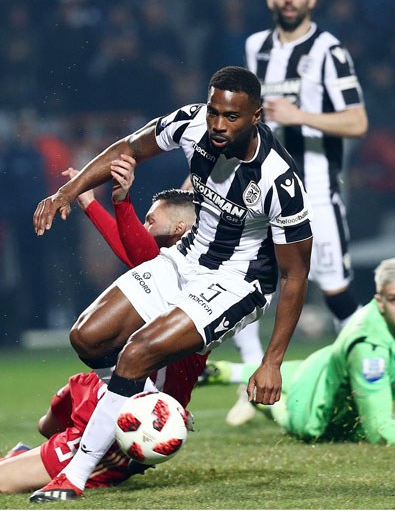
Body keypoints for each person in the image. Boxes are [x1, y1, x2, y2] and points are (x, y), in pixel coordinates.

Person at [30, 66, 313, 502]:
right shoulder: (192, 123)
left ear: (256, 116)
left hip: (237, 284)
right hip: (185, 258)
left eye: (231, 117)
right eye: (214, 112)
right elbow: (127, 148)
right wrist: (66, 193)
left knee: (137, 353)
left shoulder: (280, 181)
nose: (218, 125)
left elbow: (295, 274)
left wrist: (272, 360)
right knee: (88, 336)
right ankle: (145, 399)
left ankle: (75, 475)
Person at [0, 159, 204, 494]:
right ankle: (30, 457)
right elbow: (137, 246)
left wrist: (118, 201)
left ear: (180, 229)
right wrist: (91, 203)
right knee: (48, 422)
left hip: (133, 417)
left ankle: (60, 463)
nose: (143, 226)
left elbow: (139, 252)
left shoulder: (198, 281)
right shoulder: (167, 267)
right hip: (107, 386)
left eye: (151, 220)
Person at [225, 0, 369, 426]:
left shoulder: (329, 51)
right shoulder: (256, 47)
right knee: (239, 283)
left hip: (317, 191)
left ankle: (367, 384)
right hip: (264, 190)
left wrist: (299, 115)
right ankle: (250, 383)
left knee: (335, 291)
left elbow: (357, 121)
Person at [202, 257, 395, 445]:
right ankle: (258, 399)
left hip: (319, 365)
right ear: (380, 302)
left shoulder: (380, 327)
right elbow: (378, 430)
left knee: (296, 373)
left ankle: (223, 371)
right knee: (286, 411)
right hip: (311, 411)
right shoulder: (369, 350)